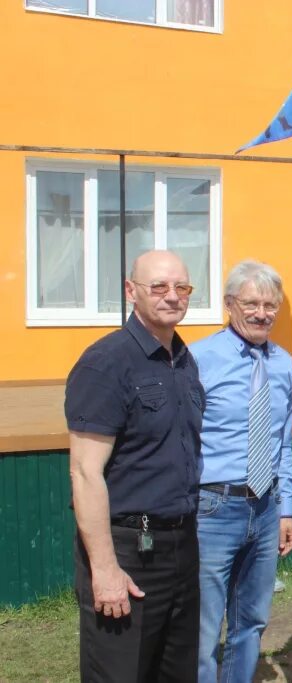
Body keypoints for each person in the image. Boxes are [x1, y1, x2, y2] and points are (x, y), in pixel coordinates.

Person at [65, 250, 204, 682]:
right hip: (128, 550)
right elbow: (85, 473)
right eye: (158, 286)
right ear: (131, 291)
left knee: (176, 673)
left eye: (181, 287)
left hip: (181, 545)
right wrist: (105, 570)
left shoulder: (183, 360)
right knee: (121, 673)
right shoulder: (106, 363)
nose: (172, 296)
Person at [191, 260, 292, 683]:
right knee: (202, 627)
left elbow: (283, 442)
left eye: (270, 304)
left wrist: (286, 507)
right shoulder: (197, 359)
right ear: (228, 304)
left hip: (266, 507)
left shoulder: (283, 363)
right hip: (213, 508)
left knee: (251, 620)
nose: (262, 313)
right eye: (251, 303)